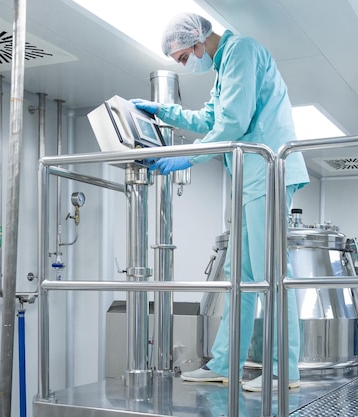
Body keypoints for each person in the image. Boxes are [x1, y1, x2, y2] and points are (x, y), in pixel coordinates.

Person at [131, 12, 309, 392]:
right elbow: (210, 116)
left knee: (271, 274)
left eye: (182, 58)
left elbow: (232, 123)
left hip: (269, 172)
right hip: (250, 178)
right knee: (239, 279)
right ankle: (226, 362)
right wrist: (164, 112)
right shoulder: (224, 68)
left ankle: (284, 371)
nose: (185, 65)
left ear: (197, 42)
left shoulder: (242, 51)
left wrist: (188, 157)